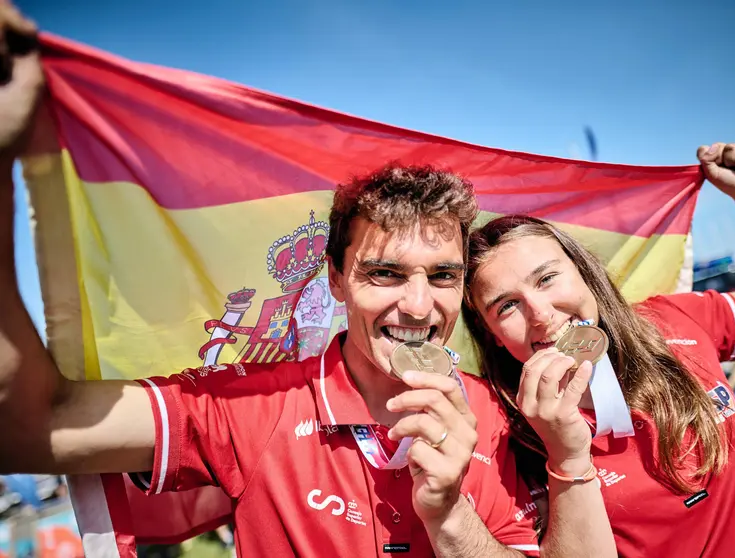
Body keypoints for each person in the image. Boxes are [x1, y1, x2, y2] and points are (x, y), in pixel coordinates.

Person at [0, 4, 559, 556]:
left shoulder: (492, 410)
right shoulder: (260, 403)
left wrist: (451, 516)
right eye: (385, 273)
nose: (418, 305)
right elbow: (28, 427)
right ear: (336, 281)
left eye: (442, 276)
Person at [461, 142, 735, 557]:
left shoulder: (673, 322)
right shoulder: (507, 437)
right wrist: (564, 455)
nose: (541, 315)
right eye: (506, 306)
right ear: (491, 333)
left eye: (546, 279)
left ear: (585, 273)